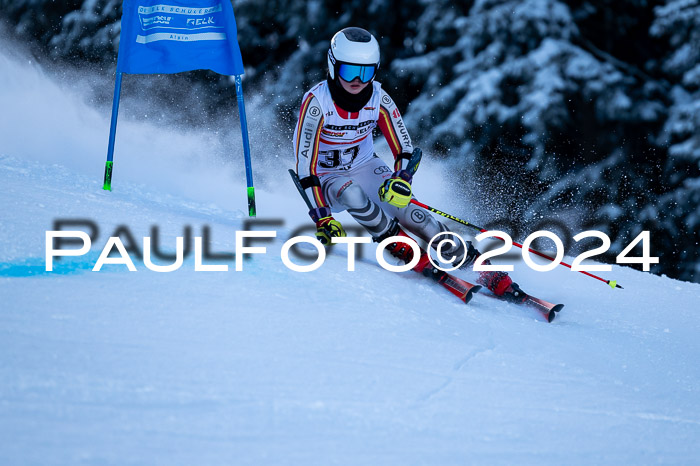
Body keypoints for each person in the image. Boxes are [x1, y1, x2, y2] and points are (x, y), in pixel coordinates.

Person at [293, 27, 521, 299]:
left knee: (414, 214)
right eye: (348, 71)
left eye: (365, 72)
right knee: (353, 195)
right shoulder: (317, 103)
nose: (357, 80)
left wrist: (401, 178)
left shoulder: (378, 98)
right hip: (327, 176)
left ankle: (475, 263)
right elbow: (305, 167)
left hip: (364, 165)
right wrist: (322, 216)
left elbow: (403, 147)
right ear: (333, 66)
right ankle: (402, 247)